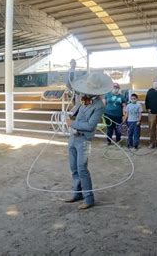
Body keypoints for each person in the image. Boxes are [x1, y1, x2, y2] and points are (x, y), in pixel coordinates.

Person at [65, 71, 113, 210]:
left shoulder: (99, 106)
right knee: (73, 167)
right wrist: (72, 68)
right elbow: (69, 84)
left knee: (82, 169)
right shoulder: (82, 98)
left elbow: (90, 126)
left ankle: (88, 198)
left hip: (84, 140)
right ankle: (77, 193)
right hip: (73, 137)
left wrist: (71, 123)